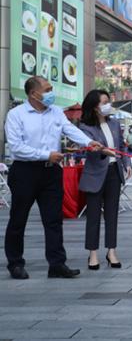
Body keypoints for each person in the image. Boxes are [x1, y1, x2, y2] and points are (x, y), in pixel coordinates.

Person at [4, 76, 102, 279]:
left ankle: (57, 264)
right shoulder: (16, 115)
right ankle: (15, 263)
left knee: (54, 219)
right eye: (47, 89)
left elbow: (70, 130)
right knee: (18, 218)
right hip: (25, 171)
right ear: (33, 94)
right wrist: (46, 155)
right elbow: (17, 148)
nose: (51, 93)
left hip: (51, 172)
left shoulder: (56, 112)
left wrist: (90, 142)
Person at [78, 90, 132, 270]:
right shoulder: (86, 127)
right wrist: (103, 151)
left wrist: (126, 163)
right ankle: (92, 253)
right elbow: (90, 146)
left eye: (108, 101)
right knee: (93, 215)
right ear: (94, 107)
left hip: (114, 173)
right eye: (103, 102)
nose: (107, 105)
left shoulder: (115, 123)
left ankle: (111, 251)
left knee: (112, 214)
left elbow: (122, 146)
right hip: (95, 174)